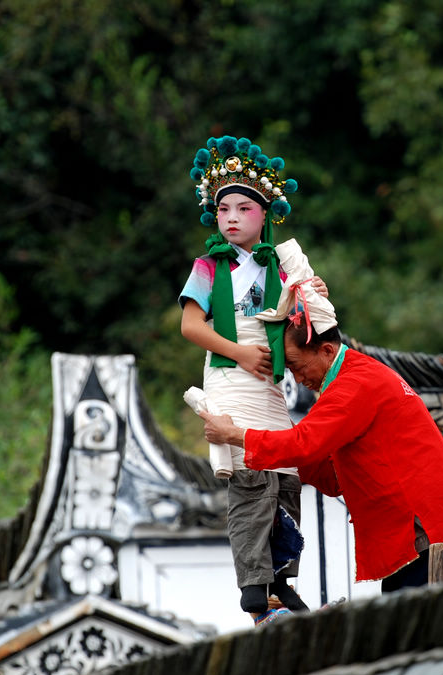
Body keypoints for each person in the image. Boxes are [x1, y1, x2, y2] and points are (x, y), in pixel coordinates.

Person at [198, 312, 443, 592]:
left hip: (431, 528)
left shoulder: (352, 386)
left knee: (421, 630)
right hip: (434, 523)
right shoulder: (356, 375)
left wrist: (235, 435)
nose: (296, 379)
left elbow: (302, 443)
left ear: (326, 350)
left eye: (296, 366)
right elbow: (332, 477)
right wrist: (286, 459)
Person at [179, 135, 337, 626]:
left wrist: (312, 296)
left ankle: (280, 581)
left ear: (265, 214)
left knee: (285, 480)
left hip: (271, 385)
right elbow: (190, 326)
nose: (230, 218)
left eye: (242, 208)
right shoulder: (209, 265)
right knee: (249, 480)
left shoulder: (281, 265)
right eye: (223, 208)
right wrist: (241, 352)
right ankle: (253, 585)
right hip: (230, 374)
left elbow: (310, 325)